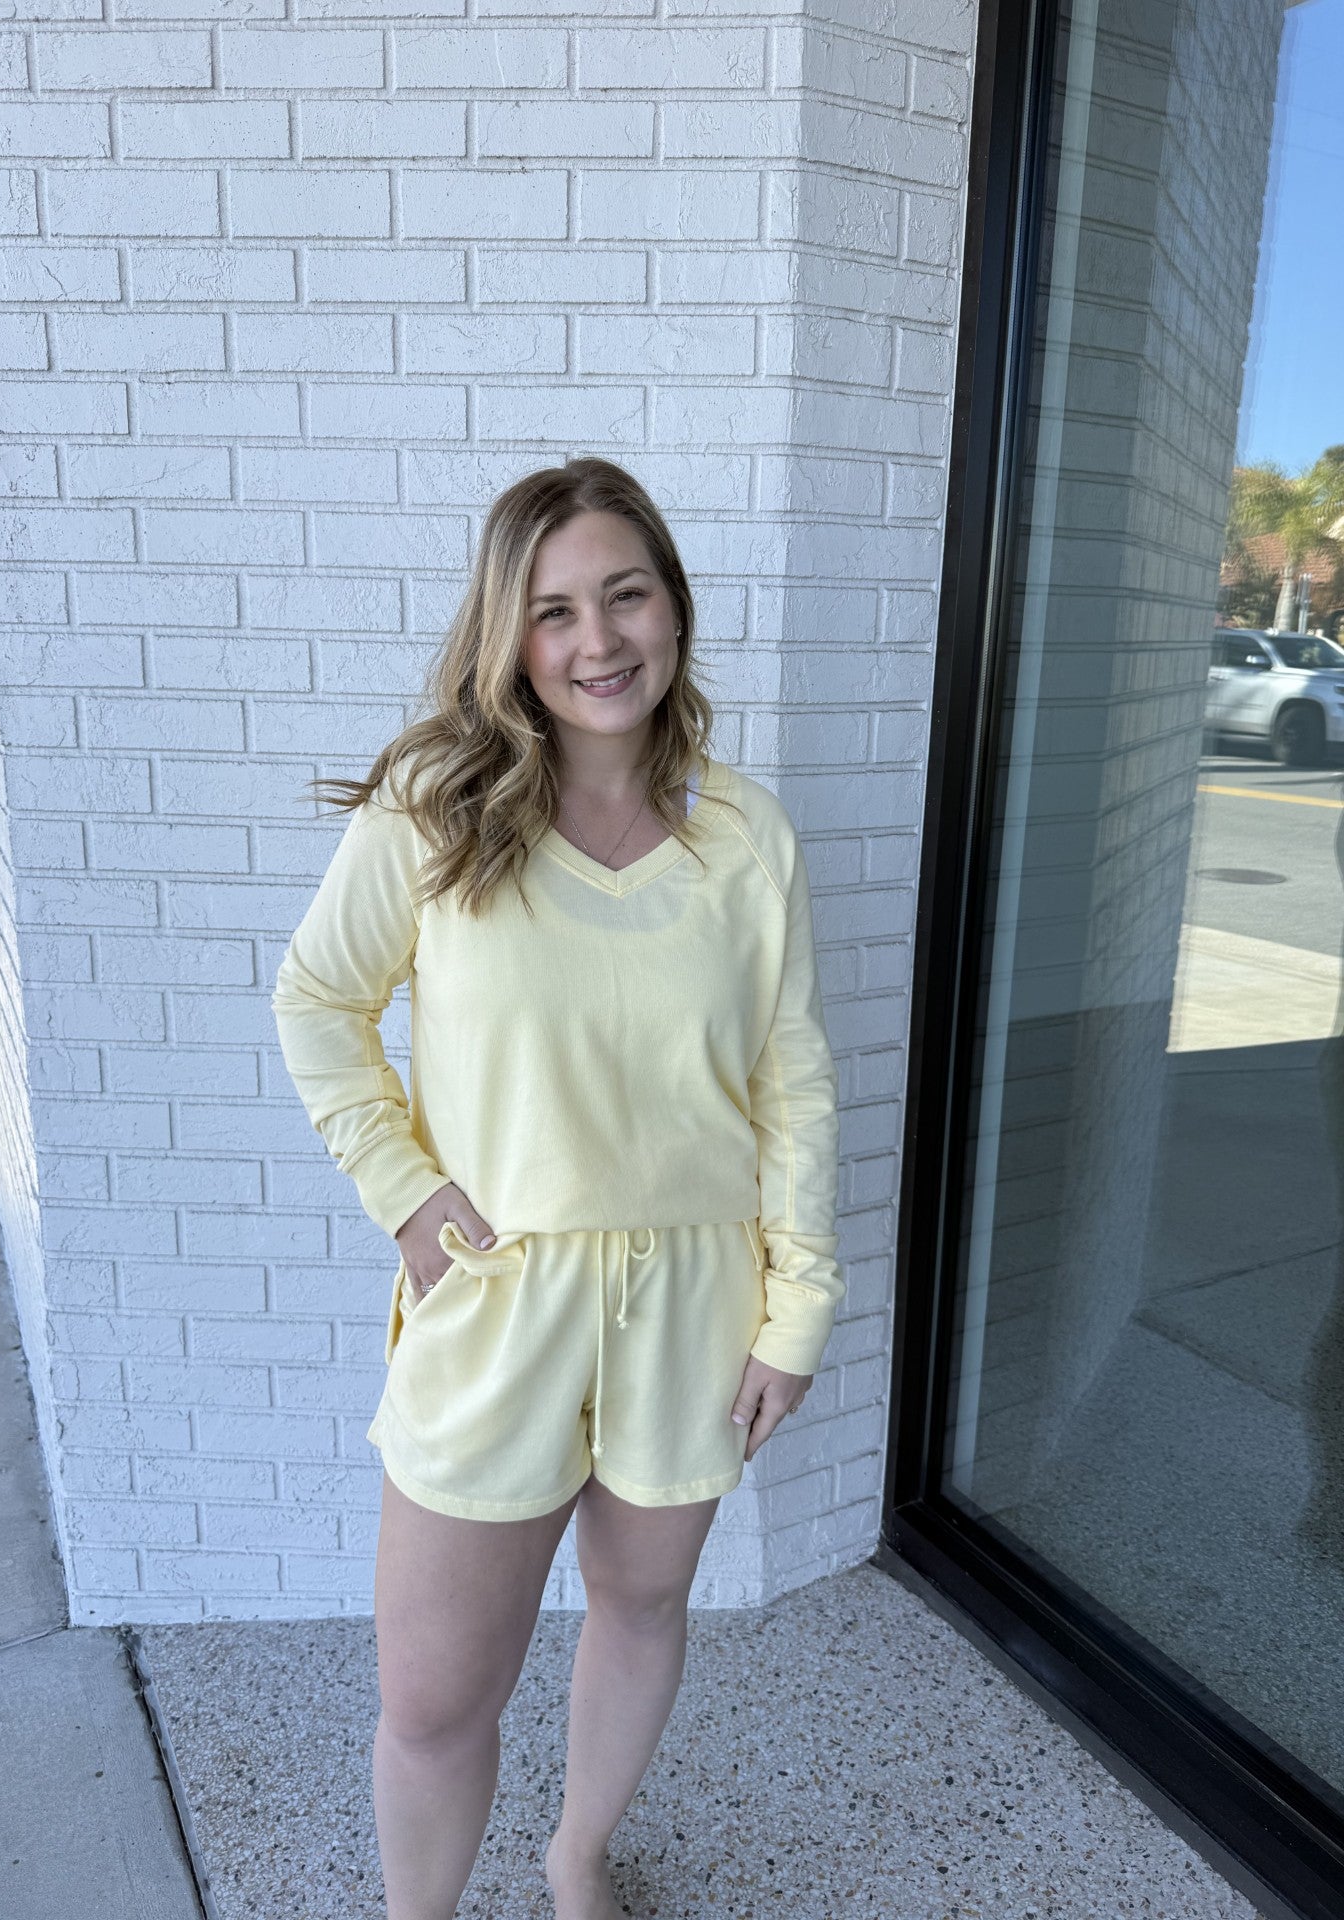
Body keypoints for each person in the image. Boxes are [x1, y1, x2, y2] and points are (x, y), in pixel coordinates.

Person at [271, 455, 843, 1920]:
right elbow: (318, 1000)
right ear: (508, 637)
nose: (599, 640)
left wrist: (797, 1309)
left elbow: (789, 1081)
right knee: (434, 1699)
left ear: (674, 607)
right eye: (553, 611)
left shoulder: (747, 837)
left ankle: (578, 1855)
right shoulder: (434, 810)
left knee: (642, 1604)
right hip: (501, 1302)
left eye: (626, 595)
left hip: (695, 1303)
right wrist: (405, 1191)